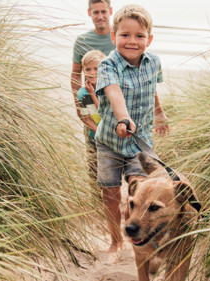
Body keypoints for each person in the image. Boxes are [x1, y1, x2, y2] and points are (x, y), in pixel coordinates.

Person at [94, 4, 169, 252]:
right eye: (125, 35)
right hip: (110, 141)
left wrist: (159, 113)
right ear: (114, 36)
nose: (132, 41)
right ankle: (115, 241)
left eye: (139, 36)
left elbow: (152, 90)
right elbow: (114, 92)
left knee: (141, 187)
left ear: (149, 39)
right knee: (111, 192)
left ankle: (139, 229)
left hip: (141, 140)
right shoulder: (107, 65)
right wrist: (123, 118)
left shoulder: (154, 62)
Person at [71, 0, 115, 185]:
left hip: (114, 106)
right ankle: (97, 203)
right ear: (89, 13)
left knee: (117, 161)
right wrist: (79, 106)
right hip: (89, 103)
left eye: (103, 11)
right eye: (95, 12)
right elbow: (75, 74)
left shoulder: (118, 37)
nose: (100, 16)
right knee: (94, 159)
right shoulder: (82, 41)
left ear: (110, 11)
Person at [77, 49, 106, 181]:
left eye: (96, 68)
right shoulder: (83, 93)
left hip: (110, 134)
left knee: (109, 169)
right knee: (94, 168)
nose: (92, 72)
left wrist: (93, 94)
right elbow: (86, 118)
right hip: (94, 135)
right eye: (88, 69)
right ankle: (96, 199)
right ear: (83, 70)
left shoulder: (108, 88)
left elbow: (105, 112)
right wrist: (97, 132)